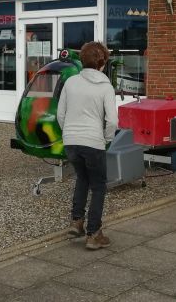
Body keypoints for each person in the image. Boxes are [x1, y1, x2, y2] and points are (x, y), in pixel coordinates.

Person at [56, 41, 118, 250]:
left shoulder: (71, 82)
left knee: (82, 179)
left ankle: (76, 222)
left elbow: (60, 114)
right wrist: (106, 139)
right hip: (93, 141)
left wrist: (69, 132)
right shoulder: (105, 87)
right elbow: (112, 121)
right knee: (98, 186)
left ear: (82, 60)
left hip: (71, 142)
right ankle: (93, 233)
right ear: (103, 63)